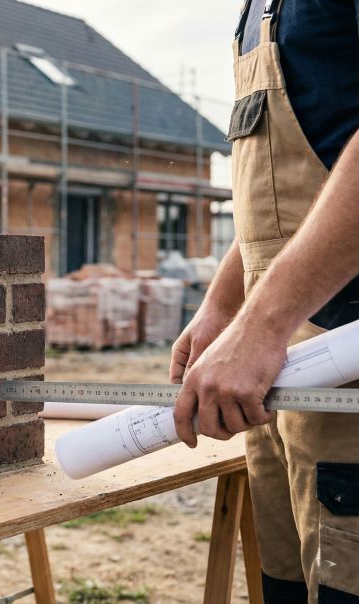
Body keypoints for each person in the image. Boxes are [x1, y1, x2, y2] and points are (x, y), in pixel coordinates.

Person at [170, 0, 359, 602]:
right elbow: (294, 193)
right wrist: (226, 305)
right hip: (278, 376)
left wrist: (260, 325)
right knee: (283, 584)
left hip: (346, 366)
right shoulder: (258, 8)